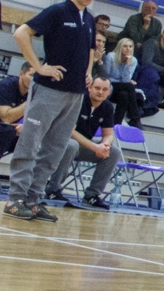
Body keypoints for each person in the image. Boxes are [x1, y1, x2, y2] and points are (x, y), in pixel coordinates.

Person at [5, 0, 101, 223]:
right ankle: (15, 200)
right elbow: (21, 33)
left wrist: (88, 72)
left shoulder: (89, 19)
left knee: (55, 150)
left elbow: (91, 50)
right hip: (48, 91)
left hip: (75, 95)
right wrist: (39, 67)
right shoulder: (57, 11)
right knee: (30, 143)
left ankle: (33, 200)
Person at [49, 76, 121, 209]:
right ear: (89, 88)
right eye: (97, 88)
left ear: (109, 92)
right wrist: (95, 147)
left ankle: (92, 195)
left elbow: (108, 134)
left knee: (114, 151)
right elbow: (70, 132)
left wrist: (105, 145)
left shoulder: (108, 107)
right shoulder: (79, 101)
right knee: (72, 145)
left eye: (104, 89)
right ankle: (52, 189)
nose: (100, 92)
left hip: (84, 147)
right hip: (61, 143)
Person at [0, 65, 33, 181]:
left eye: (37, 77)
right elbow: (6, 118)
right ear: (21, 74)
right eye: (31, 75)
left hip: (6, 134)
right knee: (5, 131)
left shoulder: (34, 92)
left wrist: (26, 124)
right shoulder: (5, 86)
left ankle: (28, 186)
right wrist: (31, 101)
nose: (34, 80)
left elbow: (40, 119)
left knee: (35, 138)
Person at [103, 37, 145, 127]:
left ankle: (116, 123)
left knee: (124, 95)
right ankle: (135, 117)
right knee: (129, 87)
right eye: (125, 46)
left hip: (121, 87)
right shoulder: (110, 56)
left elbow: (125, 80)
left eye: (130, 46)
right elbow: (105, 77)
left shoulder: (133, 60)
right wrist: (123, 82)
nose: (128, 49)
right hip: (108, 86)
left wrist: (127, 65)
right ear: (120, 47)